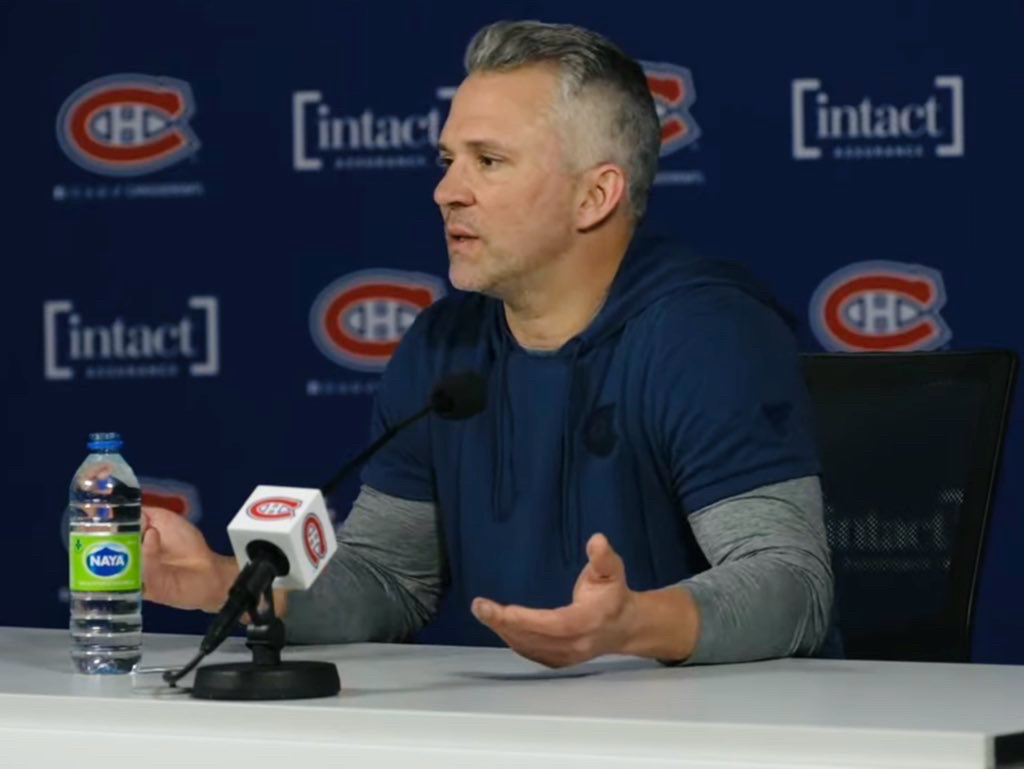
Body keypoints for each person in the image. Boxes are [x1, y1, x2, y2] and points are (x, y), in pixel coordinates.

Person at [142, 20, 834, 668]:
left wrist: (632, 625)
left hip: (699, 727)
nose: (446, 191)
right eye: (448, 160)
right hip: (505, 728)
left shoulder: (707, 334)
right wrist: (227, 584)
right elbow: (387, 578)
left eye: (489, 161)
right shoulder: (442, 345)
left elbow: (791, 583)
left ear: (595, 196)